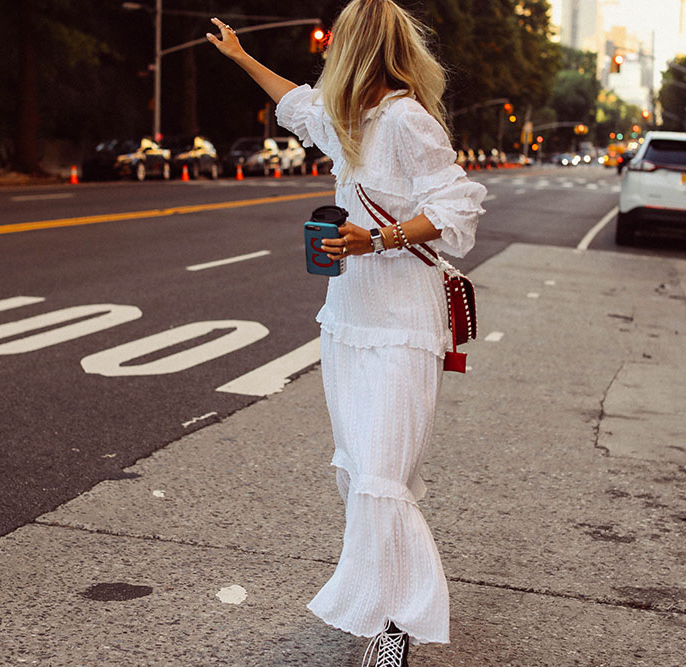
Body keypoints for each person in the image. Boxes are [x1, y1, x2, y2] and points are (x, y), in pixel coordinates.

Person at [207, 2, 486, 665]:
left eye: (337, 42)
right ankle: (386, 599)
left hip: (401, 325)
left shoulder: (406, 122)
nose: (328, 52)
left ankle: (396, 625)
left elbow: (458, 205)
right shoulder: (347, 121)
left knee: (382, 476)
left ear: (359, 47)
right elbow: (297, 105)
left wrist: (378, 236)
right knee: (360, 471)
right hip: (347, 319)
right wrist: (242, 57)